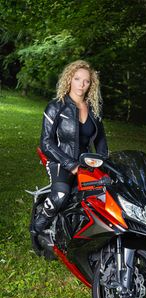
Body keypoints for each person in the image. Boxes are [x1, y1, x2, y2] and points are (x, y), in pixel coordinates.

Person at [32, 60, 108, 235]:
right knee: (61, 194)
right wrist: (70, 164)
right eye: (77, 78)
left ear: (91, 84)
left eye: (86, 81)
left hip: (85, 162)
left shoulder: (94, 110)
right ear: (69, 79)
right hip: (60, 160)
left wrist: (102, 162)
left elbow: (101, 142)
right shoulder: (56, 106)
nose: (81, 84)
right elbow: (46, 142)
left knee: (99, 195)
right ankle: (37, 226)